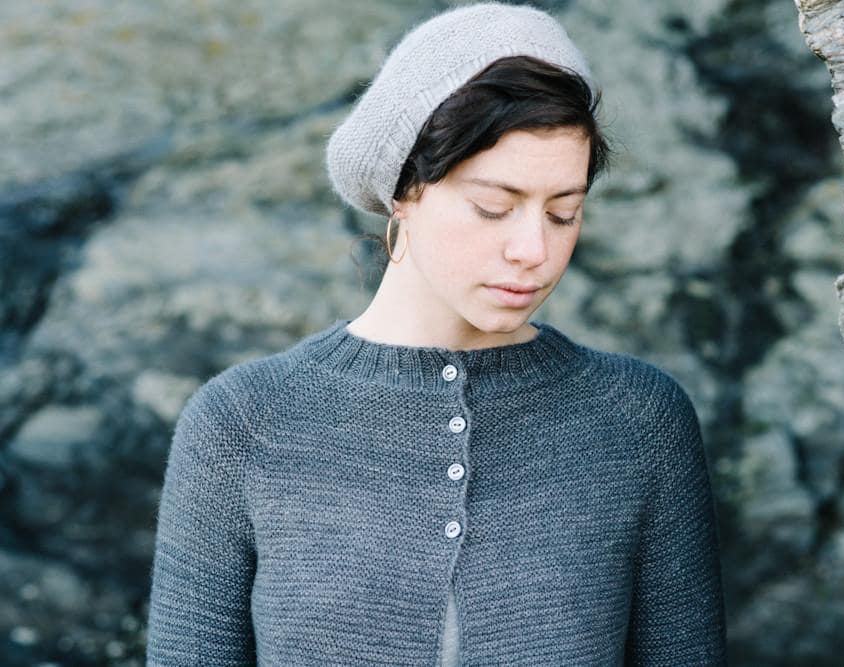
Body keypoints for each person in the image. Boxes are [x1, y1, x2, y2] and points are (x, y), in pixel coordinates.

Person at [144, 3, 727, 665]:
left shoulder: (640, 419)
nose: (533, 250)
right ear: (404, 190)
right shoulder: (243, 421)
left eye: (563, 213)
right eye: (493, 207)